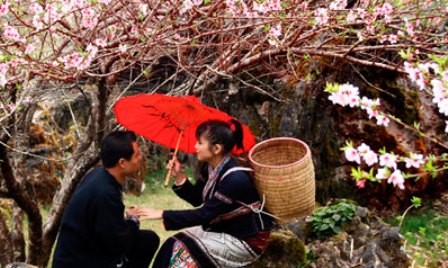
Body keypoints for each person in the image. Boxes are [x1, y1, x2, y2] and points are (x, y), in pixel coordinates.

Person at [136, 119, 274, 267]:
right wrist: (179, 176)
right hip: (224, 230)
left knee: (183, 252)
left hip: (246, 240)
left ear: (216, 149)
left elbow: (205, 214)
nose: (195, 147)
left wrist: (162, 214)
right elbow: (197, 198)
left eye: (200, 143)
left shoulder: (235, 178)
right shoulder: (209, 168)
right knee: (171, 243)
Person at [52, 131, 160, 268]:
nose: (140, 158)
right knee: (146, 242)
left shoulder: (98, 176)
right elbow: (120, 244)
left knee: (148, 239)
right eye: (137, 155)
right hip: (79, 262)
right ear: (122, 163)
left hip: (83, 252)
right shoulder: (105, 193)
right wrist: (133, 220)